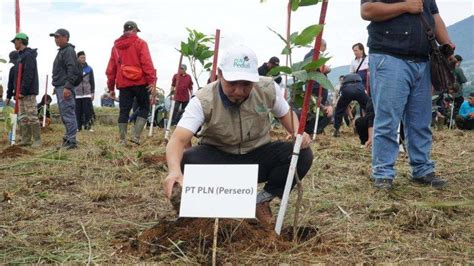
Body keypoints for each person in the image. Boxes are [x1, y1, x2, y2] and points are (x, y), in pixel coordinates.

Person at [162, 45, 313, 225]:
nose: (239, 91)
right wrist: (174, 172)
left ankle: (261, 201)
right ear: (220, 74)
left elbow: (289, 118)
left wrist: (298, 134)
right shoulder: (204, 99)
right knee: (188, 159)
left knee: (301, 154)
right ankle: (203, 210)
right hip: (219, 158)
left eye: (246, 84)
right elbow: (178, 139)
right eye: (232, 83)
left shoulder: (267, 89)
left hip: (257, 156)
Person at [361, 0, 454, 189]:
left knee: (420, 120)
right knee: (388, 119)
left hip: (423, 59)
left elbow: (434, 16)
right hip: (389, 56)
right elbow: (367, 10)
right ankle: (383, 172)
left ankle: (422, 169)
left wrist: (446, 44)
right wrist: (404, 6)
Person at [106, 21, 157, 145]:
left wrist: (111, 88)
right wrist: (152, 81)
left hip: (123, 83)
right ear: (134, 30)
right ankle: (135, 137)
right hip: (140, 81)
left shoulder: (116, 47)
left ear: (124, 31)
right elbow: (147, 63)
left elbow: (111, 69)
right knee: (144, 107)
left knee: (124, 111)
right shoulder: (140, 43)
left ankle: (122, 140)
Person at [7, 33, 41, 147]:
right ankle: (26, 139)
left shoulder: (28, 56)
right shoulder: (19, 57)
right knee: (23, 117)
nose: (14, 44)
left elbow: (28, 75)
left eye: (15, 41)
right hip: (19, 93)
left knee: (32, 115)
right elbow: (16, 77)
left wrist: (22, 91)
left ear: (20, 41)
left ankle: (37, 140)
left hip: (28, 92)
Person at [50, 28, 80, 149]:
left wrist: (67, 87)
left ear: (66, 37)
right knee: (64, 113)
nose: (55, 39)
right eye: (55, 37)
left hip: (65, 86)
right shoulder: (62, 51)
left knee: (68, 112)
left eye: (58, 37)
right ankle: (68, 138)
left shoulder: (68, 51)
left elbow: (71, 69)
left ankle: (71, 140)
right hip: (61, 86)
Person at [74, 51, 95, 132]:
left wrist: (92, 92)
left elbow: (92, 81)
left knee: (88, 111)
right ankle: (78, 127)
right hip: (77, 94)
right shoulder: (74, 68)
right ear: (77, 58)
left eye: (84, 57)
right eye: (81, 57)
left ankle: (88, 127)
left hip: (87, 93)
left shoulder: (89, 69)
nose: (83, 59)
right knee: (77, 112)